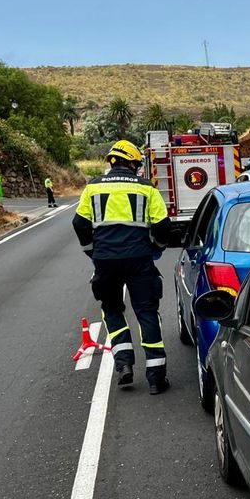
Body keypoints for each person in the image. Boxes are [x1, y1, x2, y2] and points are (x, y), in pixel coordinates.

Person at [72, 140, 171, 392]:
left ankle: (124, 364)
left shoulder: (93, 187)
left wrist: (92, 252)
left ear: (112, 161)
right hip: (140, 259)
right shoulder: (146, 188)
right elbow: (162, 226)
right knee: (147, 313)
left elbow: (80, 223)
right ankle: (156, 378)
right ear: (132, 163)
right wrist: (157, 248)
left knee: (112, 309)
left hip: (105, 261)